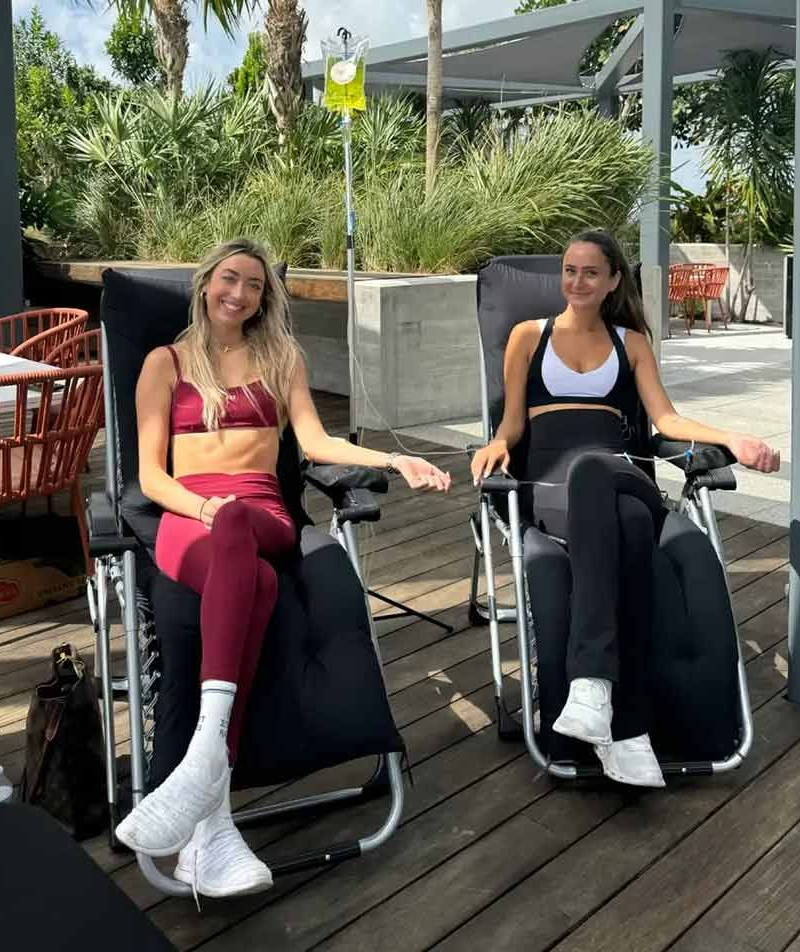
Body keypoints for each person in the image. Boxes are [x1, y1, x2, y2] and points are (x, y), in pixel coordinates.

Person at [115, 239, 451, 898]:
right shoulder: (165, 362)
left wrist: (391, 459)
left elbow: (318, 442)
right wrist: (206, 508)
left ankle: (203, 762)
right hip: (191, 519)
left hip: (262, 514)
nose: (238, 295)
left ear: (264, 299)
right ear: (206, 281)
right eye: (229, 279)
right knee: (261, 582)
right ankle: (213, 826)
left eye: (254, 287)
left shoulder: (280, 358)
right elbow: (151, 475)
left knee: (246, 527)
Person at [470, 229, 779, 789]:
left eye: (591, 272)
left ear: (614, 280)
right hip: (553, 486)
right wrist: (495, 443)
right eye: (569, 270)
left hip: (619, 471)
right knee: (632, 525)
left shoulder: (631, 342)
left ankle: (590, 686)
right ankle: (630, 729)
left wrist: (733, 438)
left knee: (600, 471)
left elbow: (667, 421)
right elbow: (512, 423)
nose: (577, 281)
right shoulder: (526, 337)